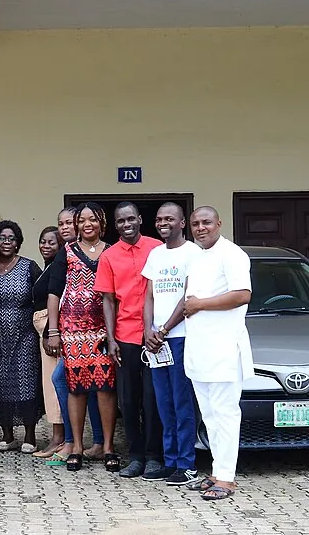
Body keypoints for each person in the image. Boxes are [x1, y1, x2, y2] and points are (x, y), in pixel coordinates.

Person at [178, 206, 252, 501]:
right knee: (209, 417)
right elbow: (187, 301)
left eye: (206, 222)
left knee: (225, 415)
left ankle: (228, 478)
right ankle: (217, 472)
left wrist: (200, 305)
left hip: (222, 351)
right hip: (200, 350)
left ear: (219, 223)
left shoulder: (232, 254)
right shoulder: (196, 258)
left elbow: (242, 294)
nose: (200, 228)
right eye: (196, 223)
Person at [46, 203, 119, 472]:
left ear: (102, 222)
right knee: (76, 387)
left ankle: (108, 447)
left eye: (93, 219)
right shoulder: (66, 252)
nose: (88, 224)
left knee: (105, 387)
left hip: (104, 329)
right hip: (72, 330)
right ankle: (76, 446)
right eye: (82, 220)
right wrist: (54, 331)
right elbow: (54, 293)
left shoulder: (112, 251)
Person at [95, 202, 165, 479]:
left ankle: (154, 457)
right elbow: (108, 300)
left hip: (157, 337)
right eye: (121, 221)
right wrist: (111, 340)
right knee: (129, 399)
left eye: (131, 219)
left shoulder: (157, 248)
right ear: (116, 225)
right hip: (125, 338)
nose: (127, 224)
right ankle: (135, 456)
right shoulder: (109, 257)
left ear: (139, 220)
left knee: (153, 399)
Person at [141, 203, 201, 487]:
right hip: (156, 342)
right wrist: (148, 331)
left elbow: (188, 298)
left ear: (182, 223)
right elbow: (149, 296)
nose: (163, 222)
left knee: (182, 401)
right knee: (163, 403)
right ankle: (171, 461)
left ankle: (187, 465)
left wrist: (164, 329)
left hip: (181, 337)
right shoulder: (155, 254)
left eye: (169, 219)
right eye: (159, 219)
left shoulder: (193, 253)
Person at [0, 221, 43, 454]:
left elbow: (41, 299)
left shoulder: (29, 267)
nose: (7, 242)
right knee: (0, 384)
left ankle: (30, 435)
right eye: (2, 238)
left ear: (18, 242)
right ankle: (7, 435)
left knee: (26, 383)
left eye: (11, 238)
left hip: (25, 335)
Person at [30, 226, 66, 459]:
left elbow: (60, 300)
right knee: (49, 384)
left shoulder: (59, 268)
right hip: (44, 326)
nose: (46, 246)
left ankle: (60, 438)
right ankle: (59, 436)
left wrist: (51, 332)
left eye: (52, 242)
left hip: (52, 330)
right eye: (43, 241)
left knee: (55, 384)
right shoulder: (48, 268)